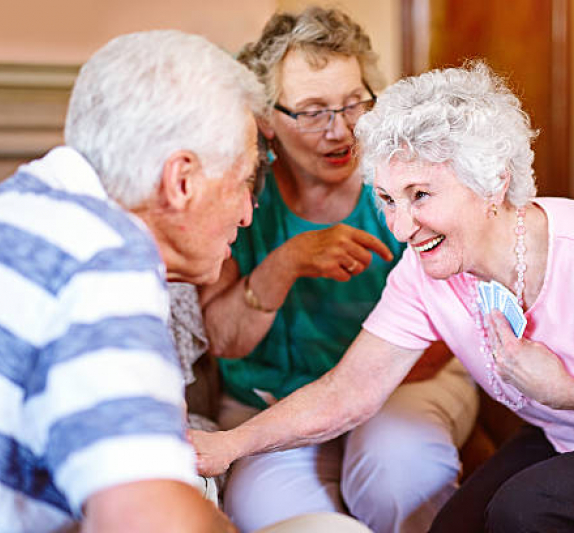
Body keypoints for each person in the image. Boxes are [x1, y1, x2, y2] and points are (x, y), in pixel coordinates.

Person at [192, 60, 574, 532]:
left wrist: (567, 393)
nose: (400, 228)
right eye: (387, 199)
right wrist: (226, 446)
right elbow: (348, 391)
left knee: (529, 509)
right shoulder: (426, 273)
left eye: (420, 195)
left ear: (493, 181)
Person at [0, 30, 264, 533]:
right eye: (243, 183)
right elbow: (153, 523)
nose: (248, 214)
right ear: (182, 180)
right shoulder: (102, 256)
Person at [196, 7, 477, 533]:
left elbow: (459, 319)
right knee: (274, 515)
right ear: (266, 119)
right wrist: (286, 263)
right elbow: (223, 340)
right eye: (312, 111)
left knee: (400, 474)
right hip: (270, 398)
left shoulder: (404, 173)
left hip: (409, 379)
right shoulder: (241, 187)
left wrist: (347, 392)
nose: (342, 131)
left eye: (354, 104)